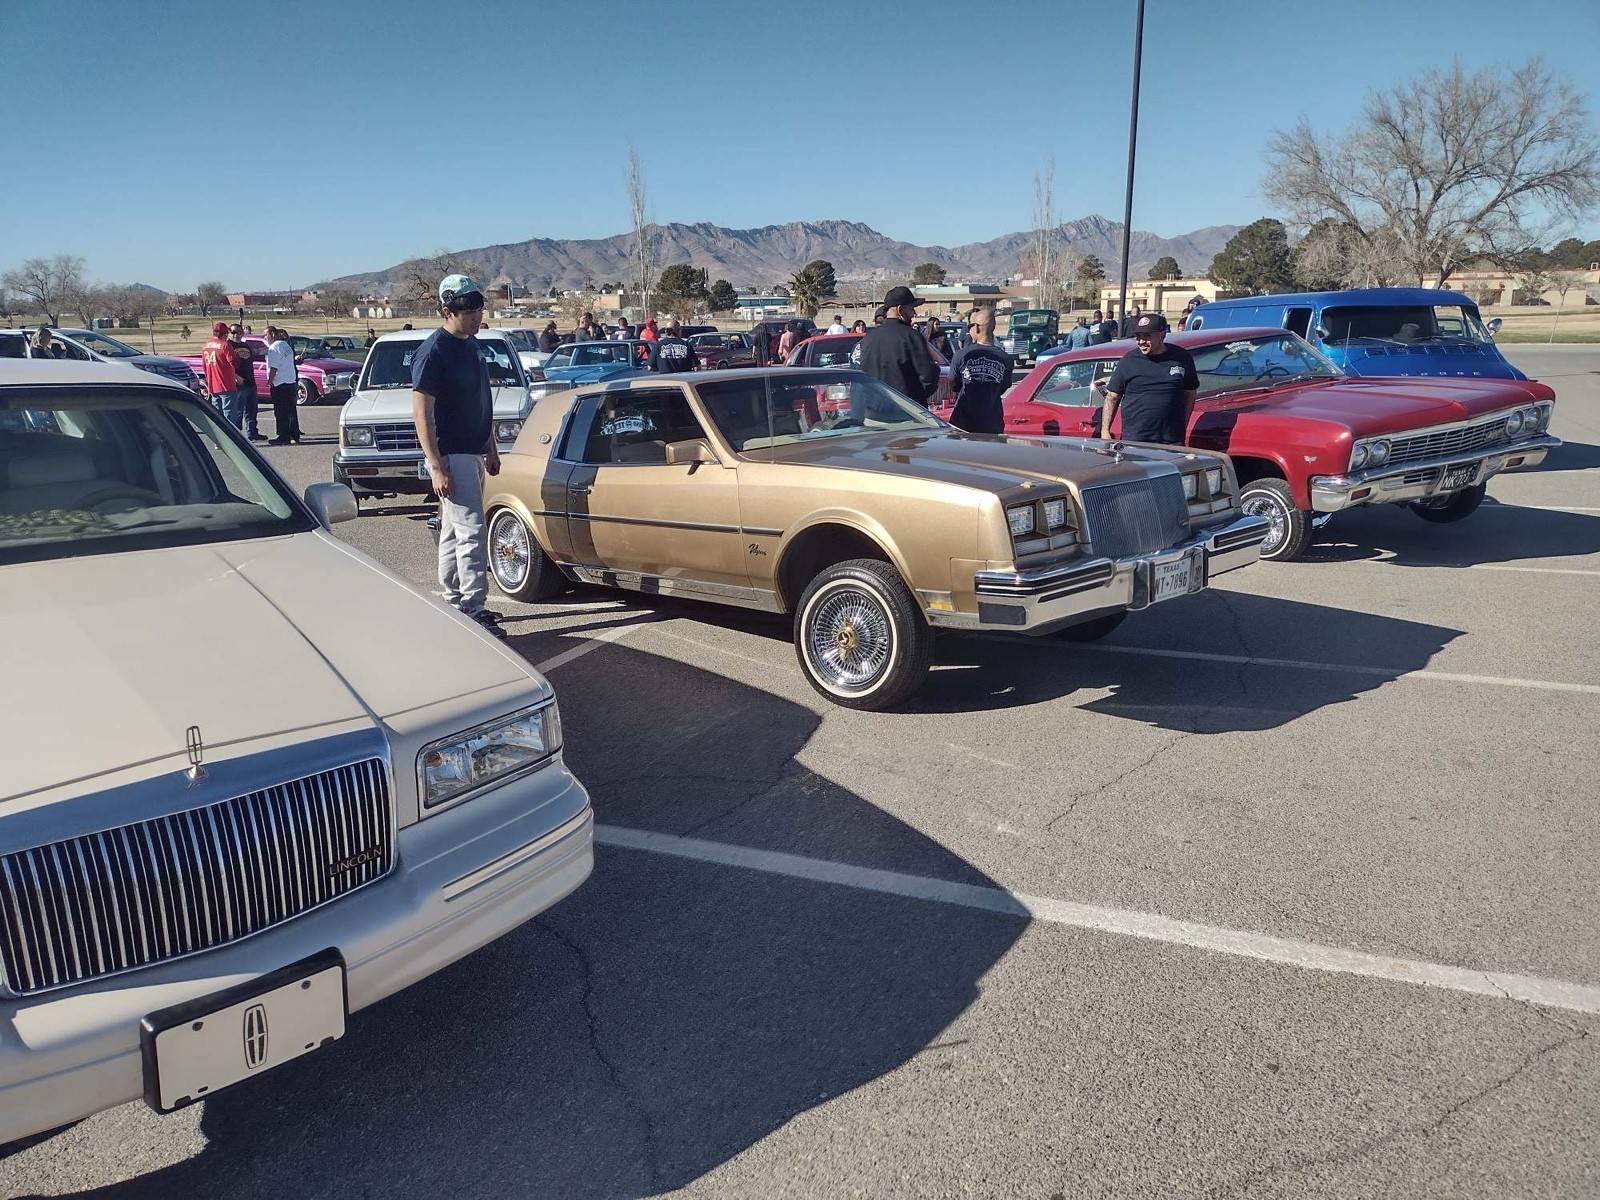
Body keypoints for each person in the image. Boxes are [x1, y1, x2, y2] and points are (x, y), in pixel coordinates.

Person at [410, 274, 506, 638]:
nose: (476, 317)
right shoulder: (435, 351)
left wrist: (491, 446)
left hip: (474, 451)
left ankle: (454, 601)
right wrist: (435, 465)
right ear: (446, 311)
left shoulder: (472, 345)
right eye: (468, 311)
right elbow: (422, 411)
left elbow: (481, 399)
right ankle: (473, 607)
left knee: (453, 531)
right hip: (452, 454)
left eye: (479, 309)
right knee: (471, 532)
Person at [1100, 312, 1198, 446]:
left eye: (1147, 336)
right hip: (1136, 440)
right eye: (1138, 337)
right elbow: (1112, 396)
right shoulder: (1129, 360)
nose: (1141, 342)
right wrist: (1105, 431)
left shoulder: (1182, 358)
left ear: (1162, 335)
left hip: (1171, 440)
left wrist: (1183, 425)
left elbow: (1190, 394)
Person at [857, 286, 941, 406]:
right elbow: (928, 377)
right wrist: (915, 397)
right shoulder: (911, 336)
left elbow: (863, 377)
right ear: (900, 310)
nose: (914, 313)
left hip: (874, 414)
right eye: (911, 308)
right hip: (907, 415)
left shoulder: (868, 338)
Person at [947, 308, 1013, 434]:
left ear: (976, 327)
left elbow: (954, 385)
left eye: (970, 326)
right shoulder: (1007, 359)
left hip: (963, 422)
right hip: (992, 422)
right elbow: (1003, 386)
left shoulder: (960, 355)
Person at [265, 326, 302, 445]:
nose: (265, 338)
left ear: (272, 334)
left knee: (280, 411)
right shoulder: (286, 346)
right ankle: (294, 434)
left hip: (280, 383)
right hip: (290, 382)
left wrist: (270, 381)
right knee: (291, 410)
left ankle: (283, 436)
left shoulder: (274, 348)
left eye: (266, 335)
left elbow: (274, 367)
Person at [201, 321, 240, 426]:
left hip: (212, 385)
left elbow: (204, 366)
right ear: (225, 334)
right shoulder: (225, 345)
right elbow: (234, 363)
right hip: (226, 384)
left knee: (217, 417)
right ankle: (230, 439)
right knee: (229, 417)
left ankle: (218, 440)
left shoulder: (206, 345)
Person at [230, 323, 263, 441]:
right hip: (239, 384)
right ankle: (236, 436)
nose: (236, 335)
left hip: (251, 381)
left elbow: (251, 359)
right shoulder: (229, 346)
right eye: (233, 332)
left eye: (238, 332)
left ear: (242, 333)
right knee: (238, 411)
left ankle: (252, 433)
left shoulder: (246, 345)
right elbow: (227, 365)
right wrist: (236, 377)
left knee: (252, 410)